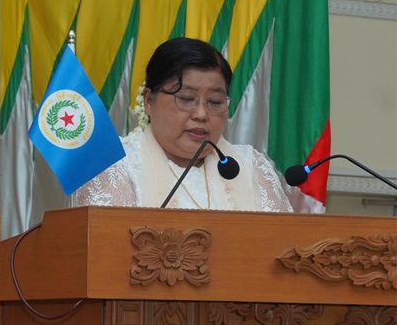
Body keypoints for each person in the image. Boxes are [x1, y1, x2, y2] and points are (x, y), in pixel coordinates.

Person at [71, 37, 301, 212]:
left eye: (215, 102)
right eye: (186, 99)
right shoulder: (115, 165)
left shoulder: (251, 167)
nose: (201, 114)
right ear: (149, 101)